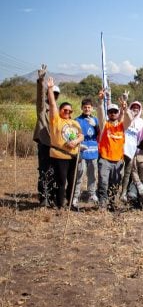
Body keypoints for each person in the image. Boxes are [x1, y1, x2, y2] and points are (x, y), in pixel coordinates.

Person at [46, 77, 84, 209]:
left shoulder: (74, 123)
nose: (67, 112)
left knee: (72, 181)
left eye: (69, 111)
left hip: (74, 156)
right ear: (60, 110)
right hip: (60, 156)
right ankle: (59, 205)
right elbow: (52, 105)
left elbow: (81, 136)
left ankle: (70, 203)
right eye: (65, 110)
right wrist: (50, 89)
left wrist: (76, 141)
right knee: (61, 181)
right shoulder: (56, 120)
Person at [96, 90, 130, 210]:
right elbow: (100, 113)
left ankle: (112, 203)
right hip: (105, 159)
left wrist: (125, 108)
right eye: (110, 112)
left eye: (115, 111)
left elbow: (129, 119)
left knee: (115, 184)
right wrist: (100, 101)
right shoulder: (104, 125)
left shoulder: (122, 126)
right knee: (103, 183)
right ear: (108, 113)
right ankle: (102, 204)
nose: (113, 114)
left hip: (118, 161)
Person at [33, 64, 60, 207]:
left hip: (56, 146)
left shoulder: (58, 112)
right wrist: (41, 81)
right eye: (51, 94)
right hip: (44, 145)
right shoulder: (42, 110)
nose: (53, 97)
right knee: (44, 171)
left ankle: (53, 198)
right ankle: (44, 198)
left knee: (55, 172)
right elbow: (40, 98)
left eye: (55, 95)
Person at [72, 98, 100, 205]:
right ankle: (75, 195)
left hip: (93, 151)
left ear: (92, 108)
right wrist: (78, 145)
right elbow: (73, 135)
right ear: (82, 108)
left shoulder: (96, 120)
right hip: (82, 151)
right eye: (85, 107)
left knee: (92, 174)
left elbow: (100, 134)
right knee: (80, 173)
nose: (87, 109)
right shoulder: (77, 120)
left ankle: (92, 194)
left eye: (89, 107)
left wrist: (96, 126)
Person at [120, 99, 143, 202]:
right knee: (118, 172)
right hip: (121, 148)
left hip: (132, 150)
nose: (135, 109)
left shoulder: (141, 122)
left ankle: (123, 193)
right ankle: (114, 191)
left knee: (127, 173)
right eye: (133, 107)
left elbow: (142, 134)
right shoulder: (126, 116)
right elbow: (121, 115)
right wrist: (123, 107)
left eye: (137, 108)